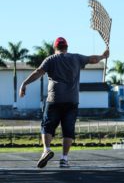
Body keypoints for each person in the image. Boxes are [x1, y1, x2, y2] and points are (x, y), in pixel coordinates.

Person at [19, 37, 109, 168]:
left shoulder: (50, 59)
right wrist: (103, 56)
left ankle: (47, 150)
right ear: (67, 47)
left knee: (47, 126)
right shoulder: (76, 58)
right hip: (72, 101)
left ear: (55, 48)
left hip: (54, 100)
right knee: (68, 131)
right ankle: (64, 159)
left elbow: (38, 72)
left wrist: (24, 83)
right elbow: (92, 59)